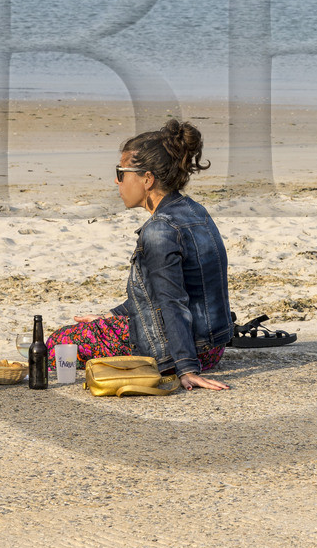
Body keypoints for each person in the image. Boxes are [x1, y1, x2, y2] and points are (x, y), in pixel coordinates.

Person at [46, 119, 233, 392]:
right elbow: (160, 292)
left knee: (57, 343)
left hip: (181, 350)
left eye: (121, 172)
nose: (116, 180)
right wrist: (110, 315)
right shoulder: (195, 212)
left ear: (147, 179)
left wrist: (186, 368)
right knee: (94, 329)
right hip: (213, 347)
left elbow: (173, 301)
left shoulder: (159, 229)